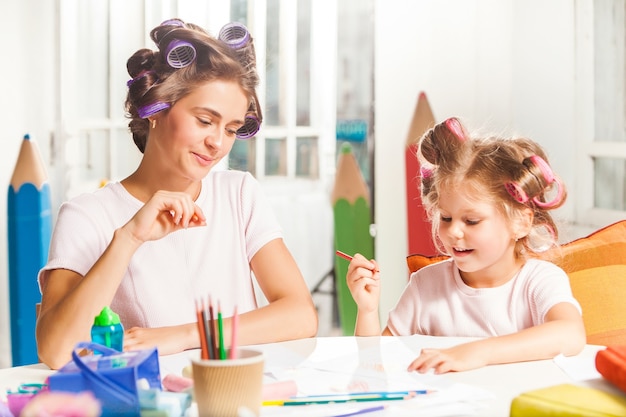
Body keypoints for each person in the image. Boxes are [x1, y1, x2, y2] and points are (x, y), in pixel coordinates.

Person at [36, 19, 318, 369]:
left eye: (230, 129)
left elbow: (300, 315)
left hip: (236, 394)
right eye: (204, 120)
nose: (217, 143)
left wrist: (185, 335)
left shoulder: (239, 194)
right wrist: (129, 238)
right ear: (157, 109)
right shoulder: (87, 215)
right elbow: (54, 350)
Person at [346, 117, 586, 374]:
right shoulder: (425, 285)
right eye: (446, 218)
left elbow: (570, 334)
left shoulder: (538, 281)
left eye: (472, 221)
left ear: (520, 223)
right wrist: (368, 310)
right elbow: (376, 366)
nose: (453, 231)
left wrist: (477, 352)